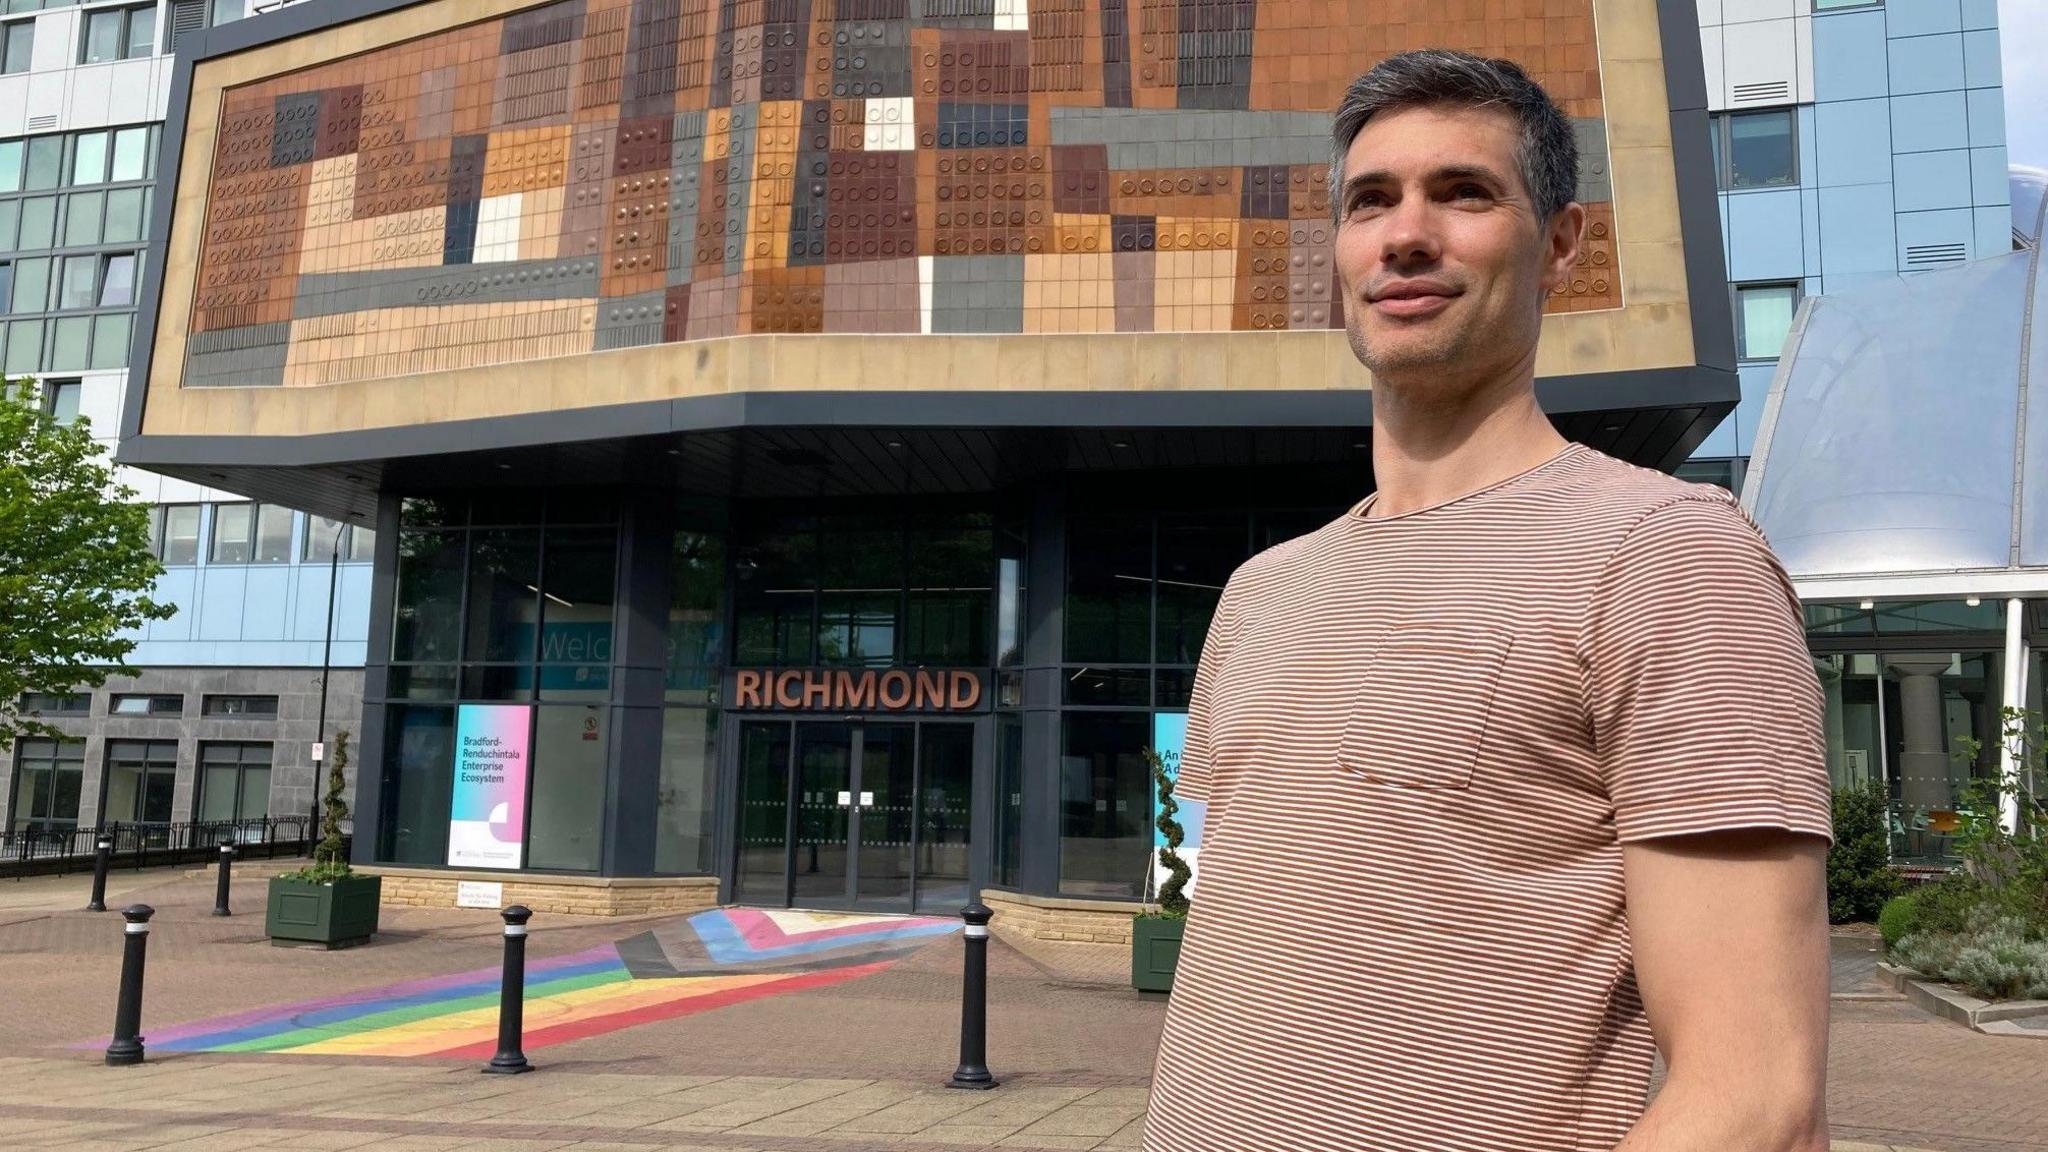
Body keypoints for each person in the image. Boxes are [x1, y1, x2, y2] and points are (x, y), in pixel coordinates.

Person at [1143, 50, 1832, 1152]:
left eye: (1462, 193)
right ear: (1339, 252)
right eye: (1370, 202)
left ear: (1559, 243)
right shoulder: (1258, 593)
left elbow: (1755, 1095)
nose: (1404, 234)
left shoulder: (1664, 554)